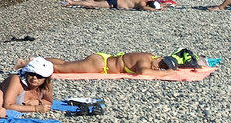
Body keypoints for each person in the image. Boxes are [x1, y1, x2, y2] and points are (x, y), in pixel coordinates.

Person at [24, 51, 188, 75]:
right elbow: (144, 72)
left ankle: (36, 60)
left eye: (162, 67)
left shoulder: (148, 55)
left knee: (66, 64)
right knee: (60, 69)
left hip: (102, 59)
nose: (158, 67)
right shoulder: (145, 60)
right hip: (99, 65)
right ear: (159, 58)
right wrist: (166, 72)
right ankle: (26, 64)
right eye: (161, 64)